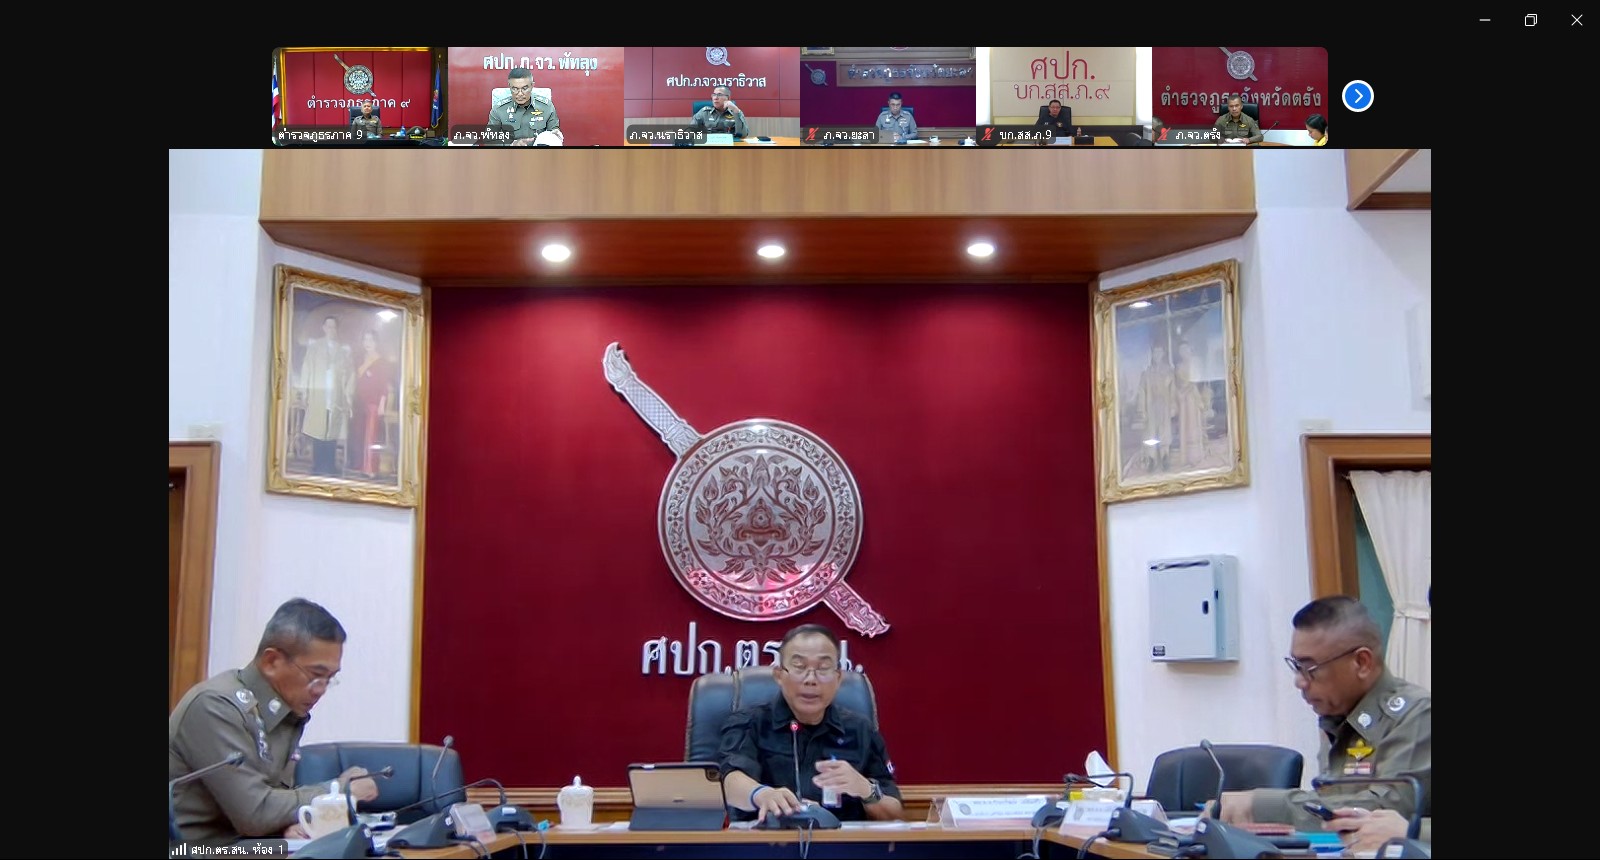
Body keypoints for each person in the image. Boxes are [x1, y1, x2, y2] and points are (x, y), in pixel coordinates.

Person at [1209, 596, 1430, 831]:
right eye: (1296, 666)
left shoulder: (1417, 716)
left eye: (1310, 668)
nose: (1299, 682)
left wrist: (1262, 806)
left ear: (1362, 663)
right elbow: (1332, 802)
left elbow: (1383, 812)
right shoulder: (1338, 716)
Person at [169, 599, 380, 845]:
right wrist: (341, 791)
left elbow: (272, 803)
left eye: (330, 678)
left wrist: (287, 826)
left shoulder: (284, 711)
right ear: (271, 662)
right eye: (316, 675)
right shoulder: (215, 706)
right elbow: (255, 813)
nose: (321, 689)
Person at [718, 624, 905, 823]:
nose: (811, 679)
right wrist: (761, 794)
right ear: (779, 675)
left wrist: (865, 790)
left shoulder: (860, 730)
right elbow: (730, 782)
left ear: (838, 678)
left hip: (841, 841)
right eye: (799, 667)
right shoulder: (749, 723)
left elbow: (894, 813)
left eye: (823, 669)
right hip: (765, 839)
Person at [296, 315, 353, 476]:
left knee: (332, 430)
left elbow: (350, 374)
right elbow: (307, 368)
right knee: (318, 429)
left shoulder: (343, 351)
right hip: (319, 393)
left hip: (335, 395)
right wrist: (304, 390)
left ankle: (329, 465)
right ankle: (317, 465)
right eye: (328, 326)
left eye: (333, 327)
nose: (331, 330)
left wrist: (348, 395)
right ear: (323, 328)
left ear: (336, 329)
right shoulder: (314, 347)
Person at [346, 330, 395, 479]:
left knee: (371, 436)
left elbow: (384, 386)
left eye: (371, 340)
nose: (367, 343)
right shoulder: (361, 359)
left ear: (376, 343)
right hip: (359, 402)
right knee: (359, 434)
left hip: (374, 403)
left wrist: (382, 404)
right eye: (365, 340)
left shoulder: (381, 362)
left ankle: (370, 468)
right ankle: (359, 465)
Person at [492, 67, 561, 147]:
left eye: (524, 88)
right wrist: (511, 145)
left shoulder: (546, 107)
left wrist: (556, 136)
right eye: (515, 89)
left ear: (532, 86)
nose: (520, 94)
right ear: (509, 87)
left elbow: (554, 135)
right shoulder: (499, 110)